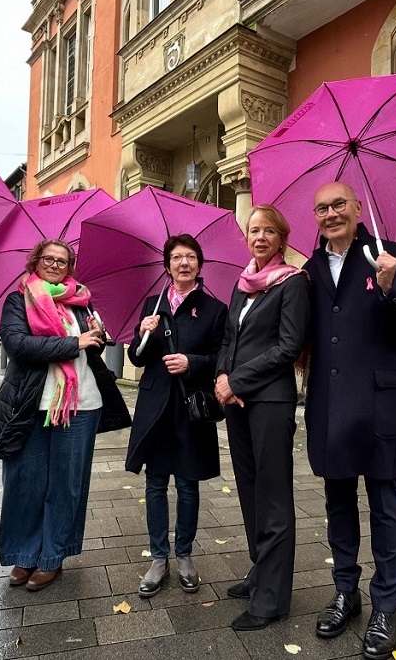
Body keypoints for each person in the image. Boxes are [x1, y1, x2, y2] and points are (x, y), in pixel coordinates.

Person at [303, 182, 396, 660]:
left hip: (381, 406)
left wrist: (392, 288)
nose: (330, 214)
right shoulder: (310, 268)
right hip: (328, 406)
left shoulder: (392, 255)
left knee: (385, 507)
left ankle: (386, 605)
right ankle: (347, 592)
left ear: (359, 208)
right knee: (338, 503)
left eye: (339, 204)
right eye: (321, 208)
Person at [0, 238, 112, 592]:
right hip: (32, 405)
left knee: (66, 485)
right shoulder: (18, 300)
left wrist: (97, 337)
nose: (55, 264)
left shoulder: (82, 303)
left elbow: (93, 346)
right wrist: (75, 343)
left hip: (82, 403)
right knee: (25, 482)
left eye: (63, 260)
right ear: (35, 261)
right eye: (49, 259)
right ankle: (24, 553)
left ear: (70, 266)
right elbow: (18, 346)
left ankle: (53, 556)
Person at [215, 205, 309, 631]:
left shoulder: (292, 283)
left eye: (269, 230)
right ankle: (260, 572)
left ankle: (272, 599)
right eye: (254, 230)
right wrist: (220, 374)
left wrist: (237, 381)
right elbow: (228, 339)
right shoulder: (242, 284)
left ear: (281, 238)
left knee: (272, 497)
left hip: (270, 403)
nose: (260, 237)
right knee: (250, 492)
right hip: (237, 403)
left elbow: (287, 348)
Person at [125, 234, 227, 597]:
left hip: (190, 407)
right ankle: (158, 557)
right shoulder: (153, 305)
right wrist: (141, 333)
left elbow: (222, 358)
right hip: (155, 408)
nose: (184, 263)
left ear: (200, 265)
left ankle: (184, 556)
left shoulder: (215, 309)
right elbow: (136, 358)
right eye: (177, 258)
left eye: (191, 257)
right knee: (155, 483)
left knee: (187, 484)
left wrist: (192, 363)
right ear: (167, 265)